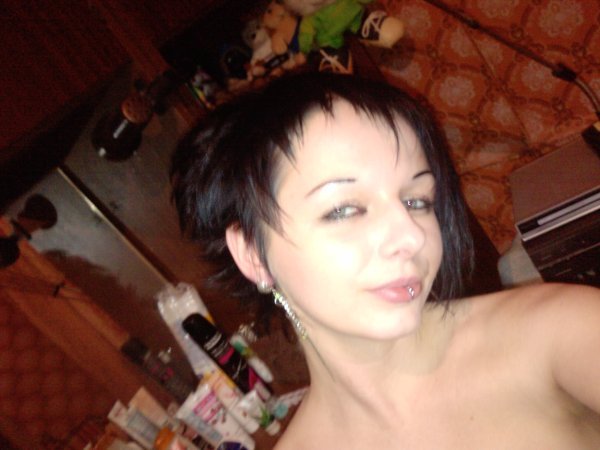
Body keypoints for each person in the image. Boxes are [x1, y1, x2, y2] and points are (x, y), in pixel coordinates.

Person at [171, 72, 600, 449]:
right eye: (344, 209)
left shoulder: (557, 332)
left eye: (417, 201)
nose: (411, 236)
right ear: (253, 254)